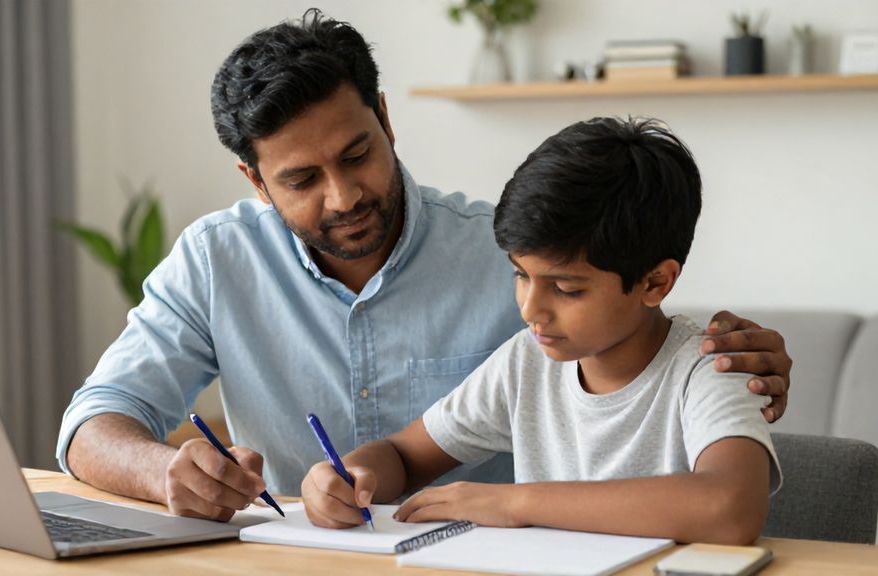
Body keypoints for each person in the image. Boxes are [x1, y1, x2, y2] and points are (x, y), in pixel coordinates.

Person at [57, 10, 792, 522]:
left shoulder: (508, 248)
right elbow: (92, 423)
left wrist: (505, 504)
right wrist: (170, 472)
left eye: (356, 155)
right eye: (301, 180)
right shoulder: (216, 260)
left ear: (384, 116)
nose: (343, 197)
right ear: (254, 180)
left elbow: (656, 362)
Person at [301, 117, 782, 544]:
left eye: (566, 289)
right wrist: (351, 475)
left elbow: (729, 508)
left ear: (655, 282)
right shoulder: (525, 361)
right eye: (520, 275)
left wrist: (515, 502)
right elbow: (403, 456)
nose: (532, 309)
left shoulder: (712, 367)